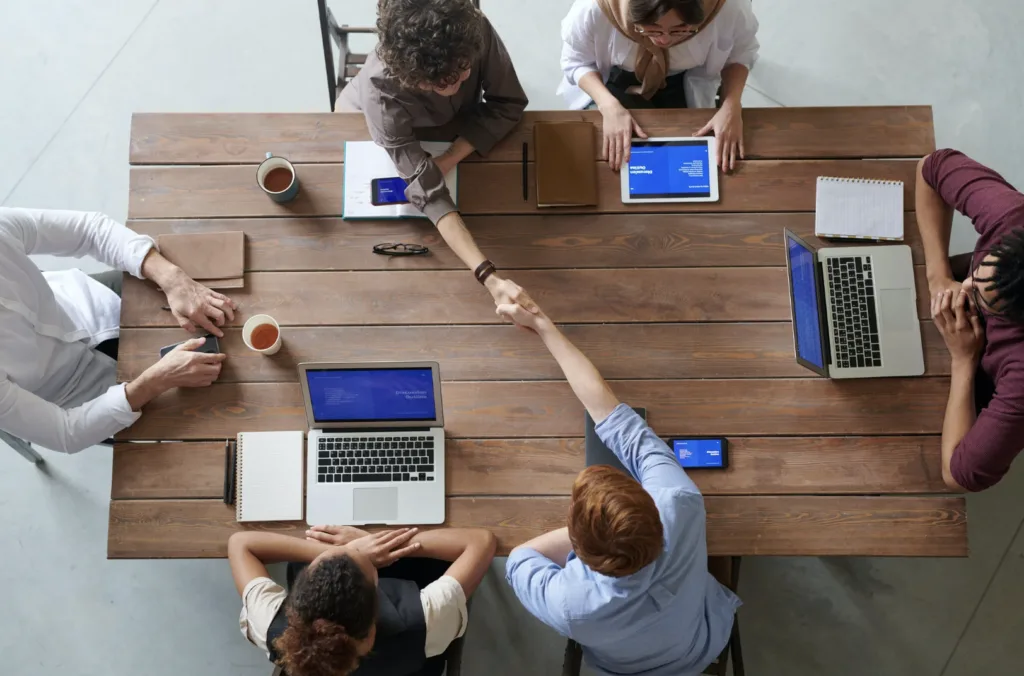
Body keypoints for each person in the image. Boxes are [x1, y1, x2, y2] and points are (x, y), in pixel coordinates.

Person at [498, 298, 740, 674]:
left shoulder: (570, 604)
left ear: (576, 548)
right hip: (703, 642)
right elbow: (618, 421)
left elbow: (517, 560)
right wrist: (543, 323)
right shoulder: (679, 503)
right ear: (653, 514)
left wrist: (541, 324)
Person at [337, 0, 534, 312]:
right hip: (378, 123)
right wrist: (488, 275)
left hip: (452, 129)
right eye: (444, 83)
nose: (458, 86)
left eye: (463, 71)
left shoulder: (471, 29)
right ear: (412, 78)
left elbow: (508, 102)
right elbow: (426, 190)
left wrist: (450, 157)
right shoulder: (381, 91)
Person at [0, 207, 235, 454]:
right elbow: (64, 432)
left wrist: (172, 278)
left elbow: (89, 230)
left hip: (92, 299)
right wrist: (157, 381)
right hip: (86, 395)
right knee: (206, 430)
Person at [230, 525, 496, 676]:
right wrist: (380, 544)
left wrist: (351, 550)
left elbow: (241, 543)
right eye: (372, 570)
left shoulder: (272, 628)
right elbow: (482, 540)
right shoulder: (426, 621)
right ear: (371, 632)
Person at [916, 149, 1024, 492]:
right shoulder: (1012, 217)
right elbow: (930, 166)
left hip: (975, 366)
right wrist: (938, 276)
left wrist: (963, 360)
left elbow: (959, 474)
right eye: (977, 274)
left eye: (982, 299)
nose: (966, 288)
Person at [559, 0, 759, 172]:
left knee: (688, 156)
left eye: (680, 30)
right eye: (651, 29)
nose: (664, 39)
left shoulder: (727, 7)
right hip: (616, 78)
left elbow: (739, 55)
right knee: (615, 155)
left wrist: (731, 105)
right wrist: (608, 106)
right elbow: (577, 61)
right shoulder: (596, 8)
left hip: (683, 78)